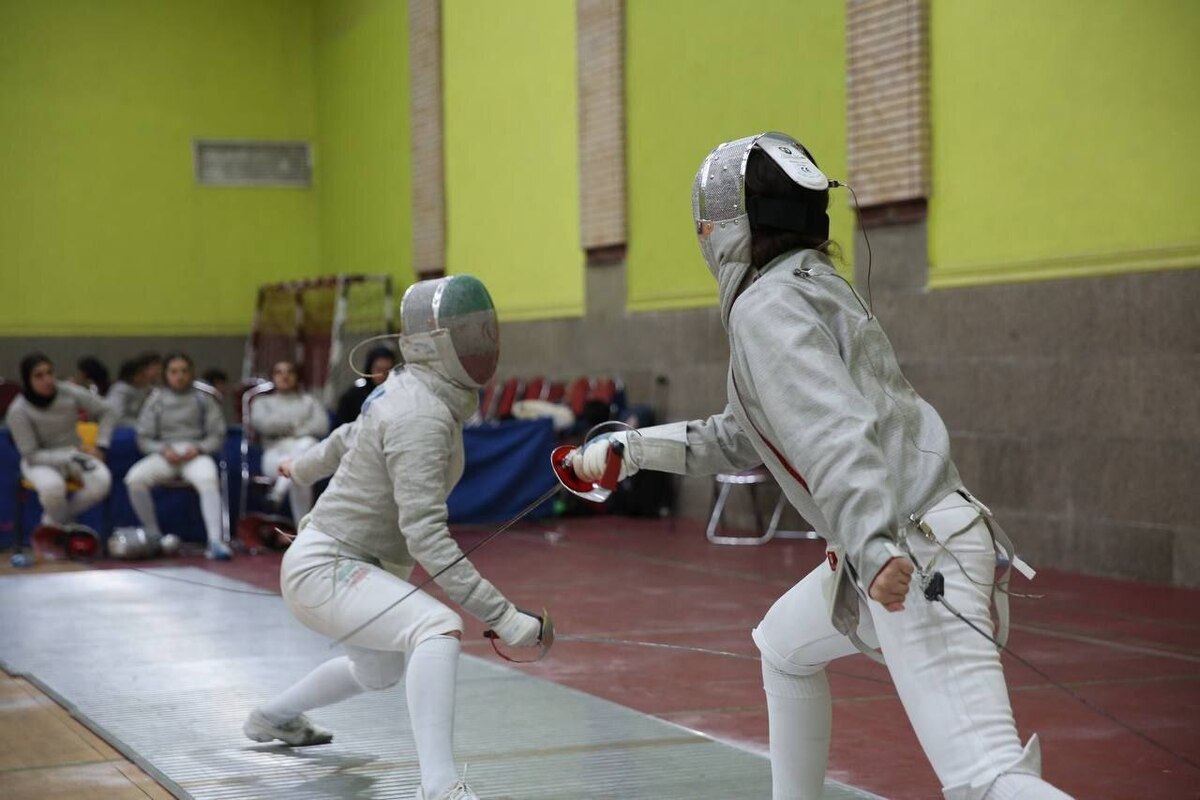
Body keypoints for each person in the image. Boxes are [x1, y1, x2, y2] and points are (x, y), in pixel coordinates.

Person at [569, 133, 1071, 800]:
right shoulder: (809, 286)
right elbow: (744, 433)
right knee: (783, 647)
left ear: (727, 229)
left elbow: (834, 429)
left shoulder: (766, 308)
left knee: (987, 780)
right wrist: (631, 450)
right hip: (909, 538)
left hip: (910, 550)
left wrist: (872, 543)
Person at [243, 275, 547, 800]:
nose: (480, 345)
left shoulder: (412, 391)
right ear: (436, 345)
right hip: (326, 568)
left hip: (356, 564)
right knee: (436, 627)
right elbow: (425, 535)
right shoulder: (420, 414)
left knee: (379, 670)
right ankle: (440, 787)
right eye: (467, 336)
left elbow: (349, 436)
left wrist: (302, 467)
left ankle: (271, 717)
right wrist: (502, 616)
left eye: (481, 333)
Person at [125, 352, 231, 560]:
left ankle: (215, 541)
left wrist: (199, 448)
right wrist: (163, 450)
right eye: (174, 372)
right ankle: (155, 536)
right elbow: (143, 438)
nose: (179, 376)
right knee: (134, 480)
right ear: (166, 375)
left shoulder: (203, 399)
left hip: (195, 454)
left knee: (208, 479)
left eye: (184, 371)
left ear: (191, 373)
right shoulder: (156, 400)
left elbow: (217, 435)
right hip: (166, 454)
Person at [5, 353, 115, 542]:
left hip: (74, 453)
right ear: (28, 380)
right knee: (52, 488)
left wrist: (101, 446)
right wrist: (68, 455)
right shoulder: (18, 410)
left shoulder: (70, 391)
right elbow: (31, 455)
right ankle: (63, 527)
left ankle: (53, 522)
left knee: (102, 481)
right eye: (39, 376)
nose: (47, 380)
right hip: (39, 461)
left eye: (49, 373)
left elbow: (108, 410)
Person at [249, 360, 329, 520]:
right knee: (300, 467)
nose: (284, 376)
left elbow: (322, 426)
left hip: (304, 453)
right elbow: (263, 425)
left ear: (297, 376)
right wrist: (298, 424)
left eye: (289, 372)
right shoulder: (262, 402)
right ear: (272, 377)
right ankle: (302, 531)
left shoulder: (309, 401)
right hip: (274, 455)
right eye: (279, 372)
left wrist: (284, 427)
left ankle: (277, 493)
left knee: (305, 449)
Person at [335, 345, 397, 426]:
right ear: (370, 369)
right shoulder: (353, 396)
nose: (382, 375)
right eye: (378, 370)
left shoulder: (397, 394)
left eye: (386, 371)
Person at [106, 352, 162, 426]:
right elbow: (115, 417)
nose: (144, 378)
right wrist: (141, 424)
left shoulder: (141, 391)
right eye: (142, 375)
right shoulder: (119, 391)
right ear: (134, 376)